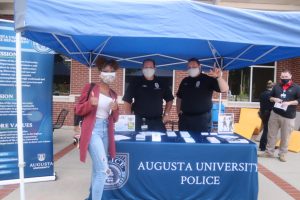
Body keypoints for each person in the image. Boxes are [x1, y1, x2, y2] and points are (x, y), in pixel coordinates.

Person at [75, 57, 119, 200]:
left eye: (112, 71)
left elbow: (115, 118)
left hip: (106, 130)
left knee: (97, 170)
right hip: (93, 131)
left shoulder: (113, 94)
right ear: (100, 72)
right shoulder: (90, 88)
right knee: (102, 170)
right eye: (106, 71)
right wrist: (90, 104)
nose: (109, 73)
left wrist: (115, 109)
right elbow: (78, 109)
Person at [176, 58, 229, 132]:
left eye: (194, 67)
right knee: (184, 141)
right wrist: (178, 112)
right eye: (189, 67)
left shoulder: (207, 79)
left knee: (202, 141)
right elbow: (179, 97)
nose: (191, 69)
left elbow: (225, 89)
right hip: (185, 119)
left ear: (199, 67)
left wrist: (218, 77)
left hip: (202, 120)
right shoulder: (185, 81)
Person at [259, 69, 300, 162]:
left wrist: (289, 103)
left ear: (290, 76)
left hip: (288, 116)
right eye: (282, 77)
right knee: (271, 134)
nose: (284, 78)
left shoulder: (296, 88)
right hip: (275, 114)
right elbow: (270, 97)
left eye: (286, 77)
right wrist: (274, 99)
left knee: (285, 136)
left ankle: (282, 154)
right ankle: (269, 152)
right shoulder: (276, 86)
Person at [123, 59, 174, 131]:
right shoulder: (135, 82)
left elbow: (170, 100)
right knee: (139, 142)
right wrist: (129, 118)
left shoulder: (162, 82)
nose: (148, 69)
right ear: (142, 68)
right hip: (139, 121)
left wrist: (166, 114)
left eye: (150, 67)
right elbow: (127, 101)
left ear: (154, 68)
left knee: (159, 141)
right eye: (146, 67)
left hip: (157, 121)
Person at [258, 80, 274, 151]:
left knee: (265, 129)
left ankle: (263, 145)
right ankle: (263, 146)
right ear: (272, 87)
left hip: (262, 113)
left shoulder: (262, 93)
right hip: (268, 113)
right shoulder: (271, 95)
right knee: (266, 130)